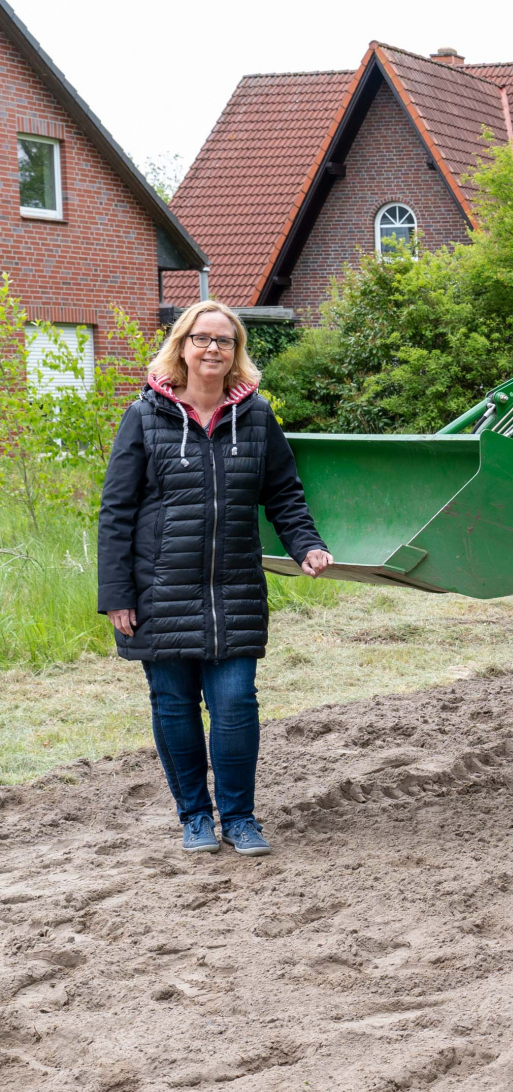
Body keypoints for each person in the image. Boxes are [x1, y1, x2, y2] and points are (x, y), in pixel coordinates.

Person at [98, 301, 333, 855]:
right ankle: (195, 817)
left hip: (234, 591)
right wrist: (116, 595)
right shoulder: (144, 416)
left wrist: (307, 545)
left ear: (236, 353)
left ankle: (240, 817)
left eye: (224, 341)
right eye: (202, 338)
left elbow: (283, 493)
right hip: (159, 592)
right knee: (173, 707)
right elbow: (116, 512)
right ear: (182, 345)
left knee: (235, 705)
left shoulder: (256, 417)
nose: (212, 349)